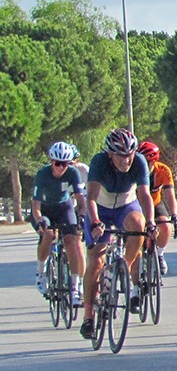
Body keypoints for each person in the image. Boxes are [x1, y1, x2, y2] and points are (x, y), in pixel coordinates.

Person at [80, 128, 156, 340]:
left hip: (125, 205)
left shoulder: (139, 162)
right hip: (101, 209)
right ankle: (88, 316)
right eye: (121, 155)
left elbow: (144, 195)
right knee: (95, 262)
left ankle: (125, 266)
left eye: (129, 154)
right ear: (110, 154)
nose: (126, 160)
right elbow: (91, 198)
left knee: (138, 224)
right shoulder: (99, 162)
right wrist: (95, 222)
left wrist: (150, 222)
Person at [30, 142, 87, 305]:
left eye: (65, 164)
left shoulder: (73, 173)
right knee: (48, 234)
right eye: (57, 163)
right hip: (44, 210)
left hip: (64, 207)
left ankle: (75, 289)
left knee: (73, 241)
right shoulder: (43, 174)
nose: (61, 167)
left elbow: (81, 201)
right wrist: (40, 221)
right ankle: (41, 273)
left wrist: (81, 216)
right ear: (51, 161)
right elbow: (36, 206)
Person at [137, 141, 177, 274]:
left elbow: (169, 195)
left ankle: (160, 255)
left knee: (165, 226)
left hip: (155, 203)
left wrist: (174, 214)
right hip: (136, 204)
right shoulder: (133, 171)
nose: (143, 165)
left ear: (154, 161)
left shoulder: (163, 170)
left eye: (147, 162)